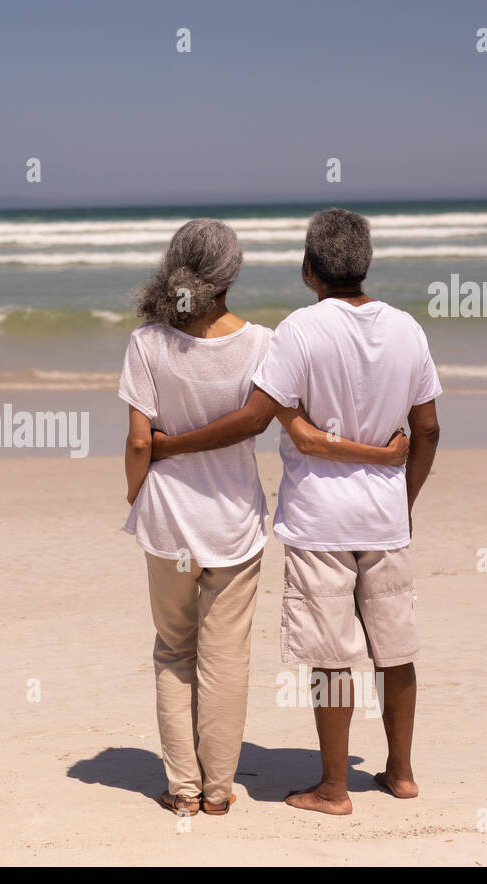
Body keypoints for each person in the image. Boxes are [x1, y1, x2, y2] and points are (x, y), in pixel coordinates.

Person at [150, 208, 442, 815]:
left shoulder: (299, 332)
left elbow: (260, 419)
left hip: (318, 520)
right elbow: (429, 429)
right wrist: (404, 496)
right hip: (385, 518)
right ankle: (402, 771)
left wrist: (168, 446)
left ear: (309, 269)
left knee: (331, 653)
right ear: (365, 265)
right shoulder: (409, 329)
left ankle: (334, 787)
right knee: (396, 646)